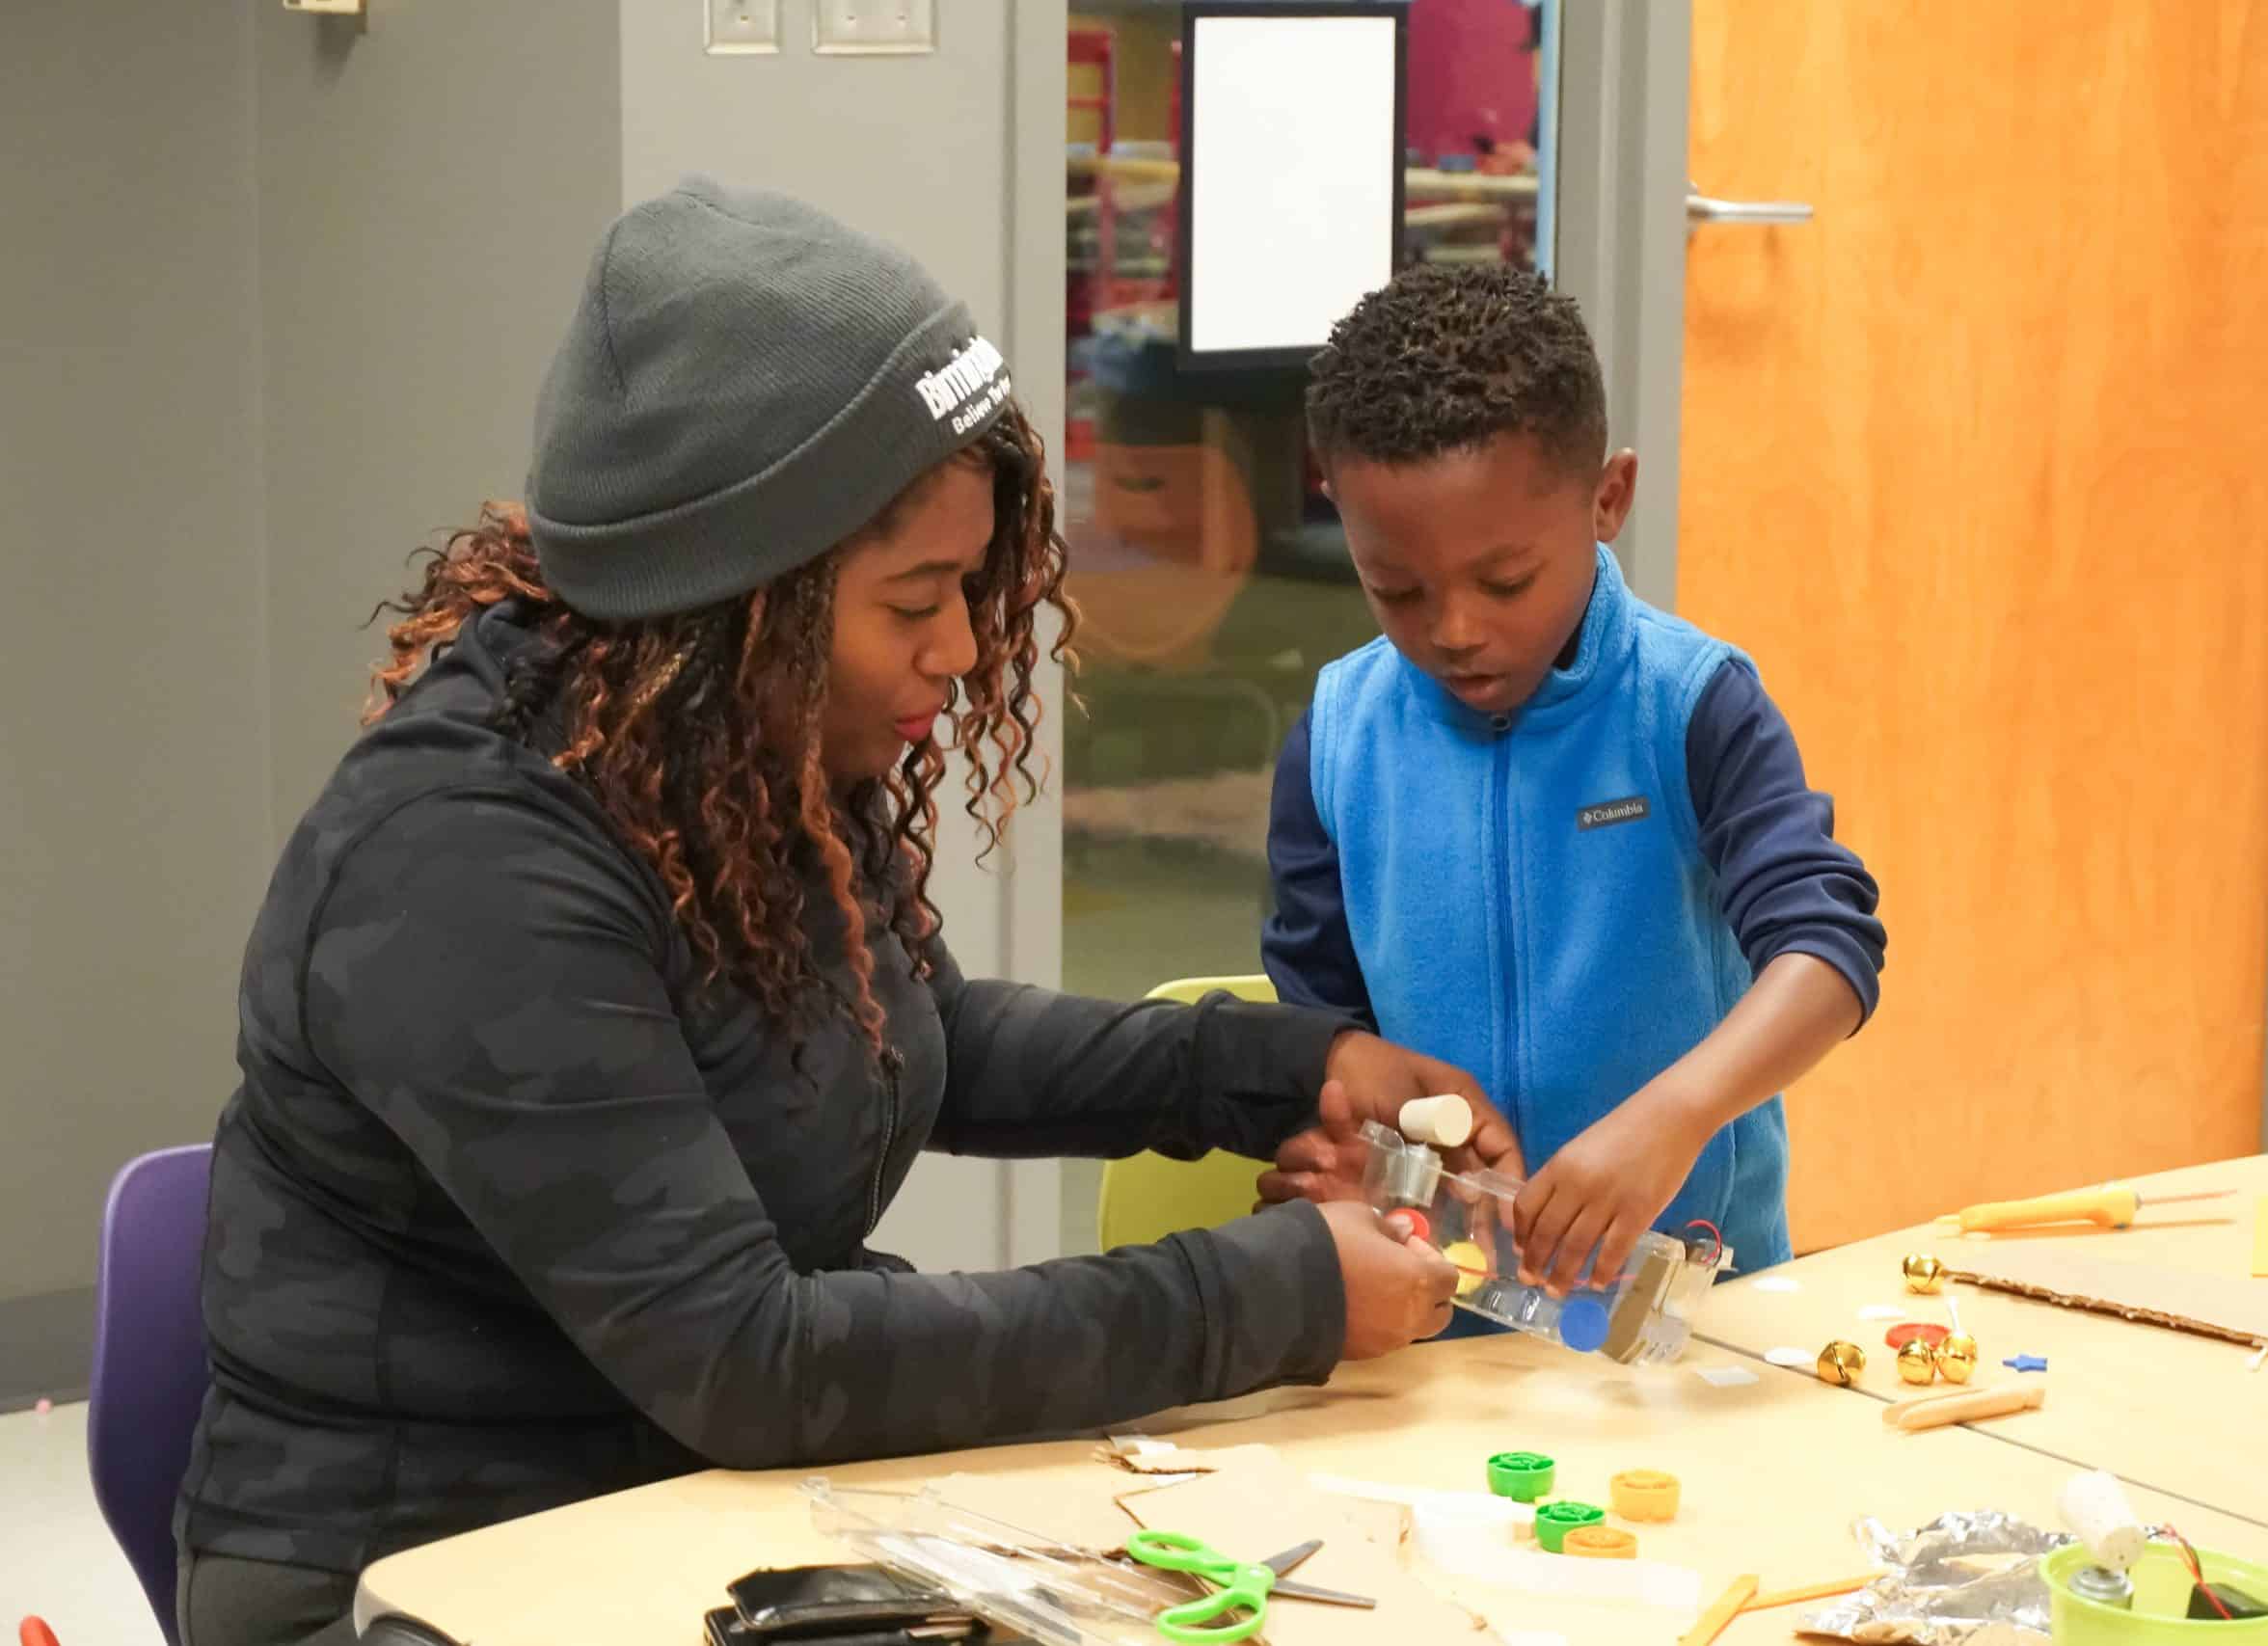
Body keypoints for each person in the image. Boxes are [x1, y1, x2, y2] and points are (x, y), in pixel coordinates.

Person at [174, 178, 1516, 1646]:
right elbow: (752, 1357)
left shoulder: (735, 748)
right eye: (917, 595)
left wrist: (1280, 1067)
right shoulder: (466, 865)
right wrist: (1264, 1292)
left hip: (687, 1506)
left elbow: (916, 1034)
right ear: (745, 598)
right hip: (428, 1569)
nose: (956, 645)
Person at [1257, 262, 1885, 1293]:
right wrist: (1341, 1159)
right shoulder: (1336, 740)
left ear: (1607, 499)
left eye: (1506, 582)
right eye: (1396, 588)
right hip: (1430, 1313)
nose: (1455, 632)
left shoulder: (1691, 707)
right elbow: (1319, 1035)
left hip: (1695, 1304)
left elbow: (1828, 951)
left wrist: (1673, 1116)